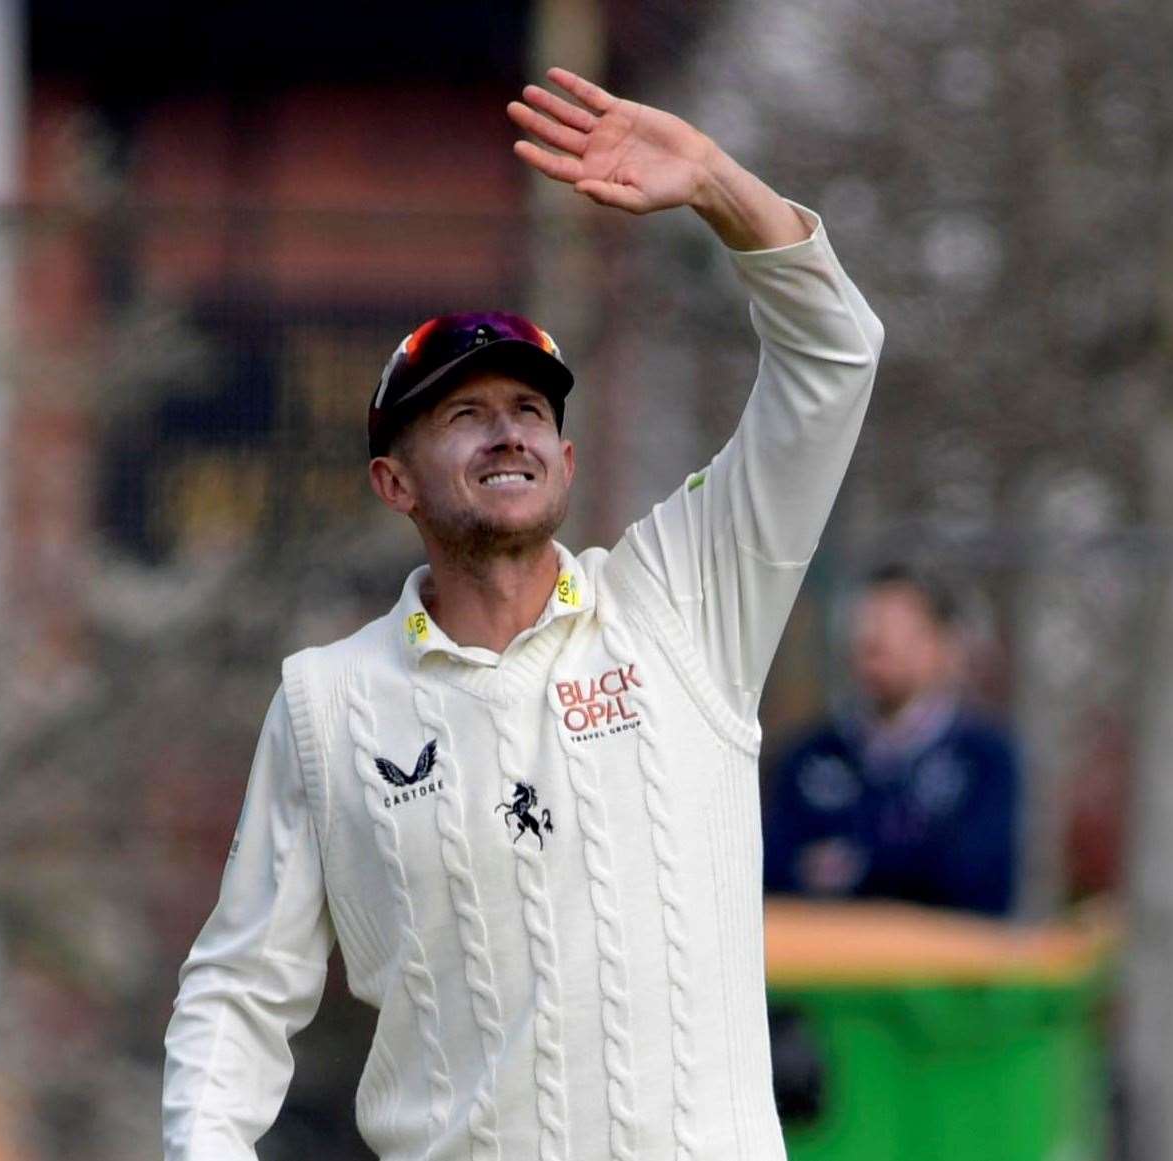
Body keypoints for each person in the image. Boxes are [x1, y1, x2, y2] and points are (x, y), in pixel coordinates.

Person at [163, 66, 884, 1161]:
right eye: (463, 413)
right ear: (393, 484)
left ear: (566, 457)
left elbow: (834, 360)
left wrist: (720, 189)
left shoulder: (687, 600)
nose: (507, 432)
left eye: (529, 411)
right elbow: (240, 990)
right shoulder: (330, 703)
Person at [762, 564, 1020, 917]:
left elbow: (975, 883)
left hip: (938, 967)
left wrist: (857, 866)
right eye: (868, 630)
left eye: (899, 631)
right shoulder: (807, 757)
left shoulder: (985, 760)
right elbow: (771, 873)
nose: (877, 645)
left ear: (944, 646)